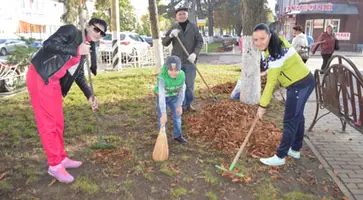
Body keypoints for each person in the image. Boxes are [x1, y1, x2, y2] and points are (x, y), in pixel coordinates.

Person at [26, 18, 107, 183]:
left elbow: (78, 75)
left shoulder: (85, 48)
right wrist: (76, 49)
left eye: (102, 33)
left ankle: (61, 158)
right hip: (41, 77)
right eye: (96, 29)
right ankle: (54, 166)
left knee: (58, 122)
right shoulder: (71, 32)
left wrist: (90, 95)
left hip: (55, 83)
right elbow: (48, 44)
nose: (99, 34)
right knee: (48, 124)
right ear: (88, 26)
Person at [252, 23, 315, 166]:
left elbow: (271, 83)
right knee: (297, 117)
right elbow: (279, 67)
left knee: (290, 120)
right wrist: (266, 71)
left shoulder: (276, 52)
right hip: (300, 82)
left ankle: (280, 156)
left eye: (262, 38)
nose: (259, 42)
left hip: (301, 84)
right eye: (255, 40)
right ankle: (295, 149)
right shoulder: (275, 43)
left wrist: (262, 106)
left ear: (269, 36)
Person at [162, 7, 204, 112]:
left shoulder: (194, 27)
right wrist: (171, 35)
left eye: (184, 14)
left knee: (189, 85)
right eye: (179, 14)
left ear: (187, 15)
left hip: (190, 62)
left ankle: (188, 105)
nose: (182, 16)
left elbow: (200, 41)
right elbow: (164, 42)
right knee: (178, 85)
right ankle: (179, 105)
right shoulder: (173, 27)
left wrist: (194, 53)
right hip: (177, 62)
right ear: (176, 16)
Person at [154, 56, 187, 144]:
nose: (173, 73)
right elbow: (161, 97)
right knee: (162, 118)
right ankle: (161, 137)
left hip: (174, 96)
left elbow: (182, 90)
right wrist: (164, 113)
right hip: (162, 96)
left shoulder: (182, 75)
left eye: (176, 70)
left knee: (177, 116)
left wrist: (179, 104)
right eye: (171, 70)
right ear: (167, 68)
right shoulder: (162, 78)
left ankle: (178, 136)